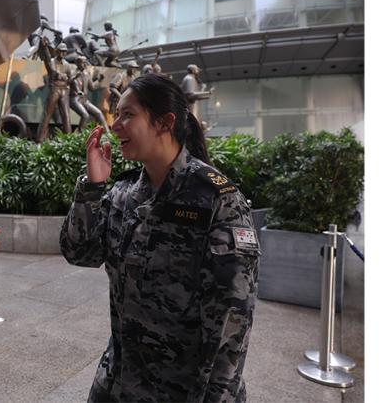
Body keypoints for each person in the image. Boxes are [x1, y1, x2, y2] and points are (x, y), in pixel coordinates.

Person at [59, 73, 260, 402]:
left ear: (165, 122)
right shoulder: (124, 193)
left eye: (128, 114)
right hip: (119, 381)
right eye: (116, 114)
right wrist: (91, 189)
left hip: (185, 389)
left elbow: (232, 318)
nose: (116, 124)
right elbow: (79, 252)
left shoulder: (216, 199)